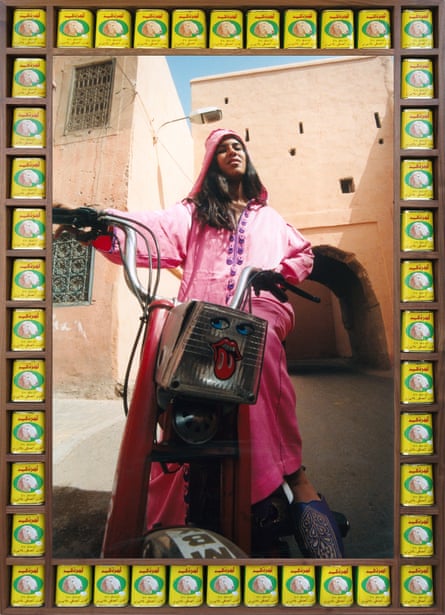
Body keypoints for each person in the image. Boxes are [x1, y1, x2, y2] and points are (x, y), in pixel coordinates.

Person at [61, 128, 345, 558]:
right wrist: (102, 223)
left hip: (258, 307)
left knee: (256, 341)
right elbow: (150, 227)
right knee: (166, 351)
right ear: (211, 162)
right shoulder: (194, 213)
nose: (233, 151)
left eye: (240, 146)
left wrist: (280, 276)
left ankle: (291, 473)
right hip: (202, 316)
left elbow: (302, 252)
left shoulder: (271, 219)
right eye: (224, 147)